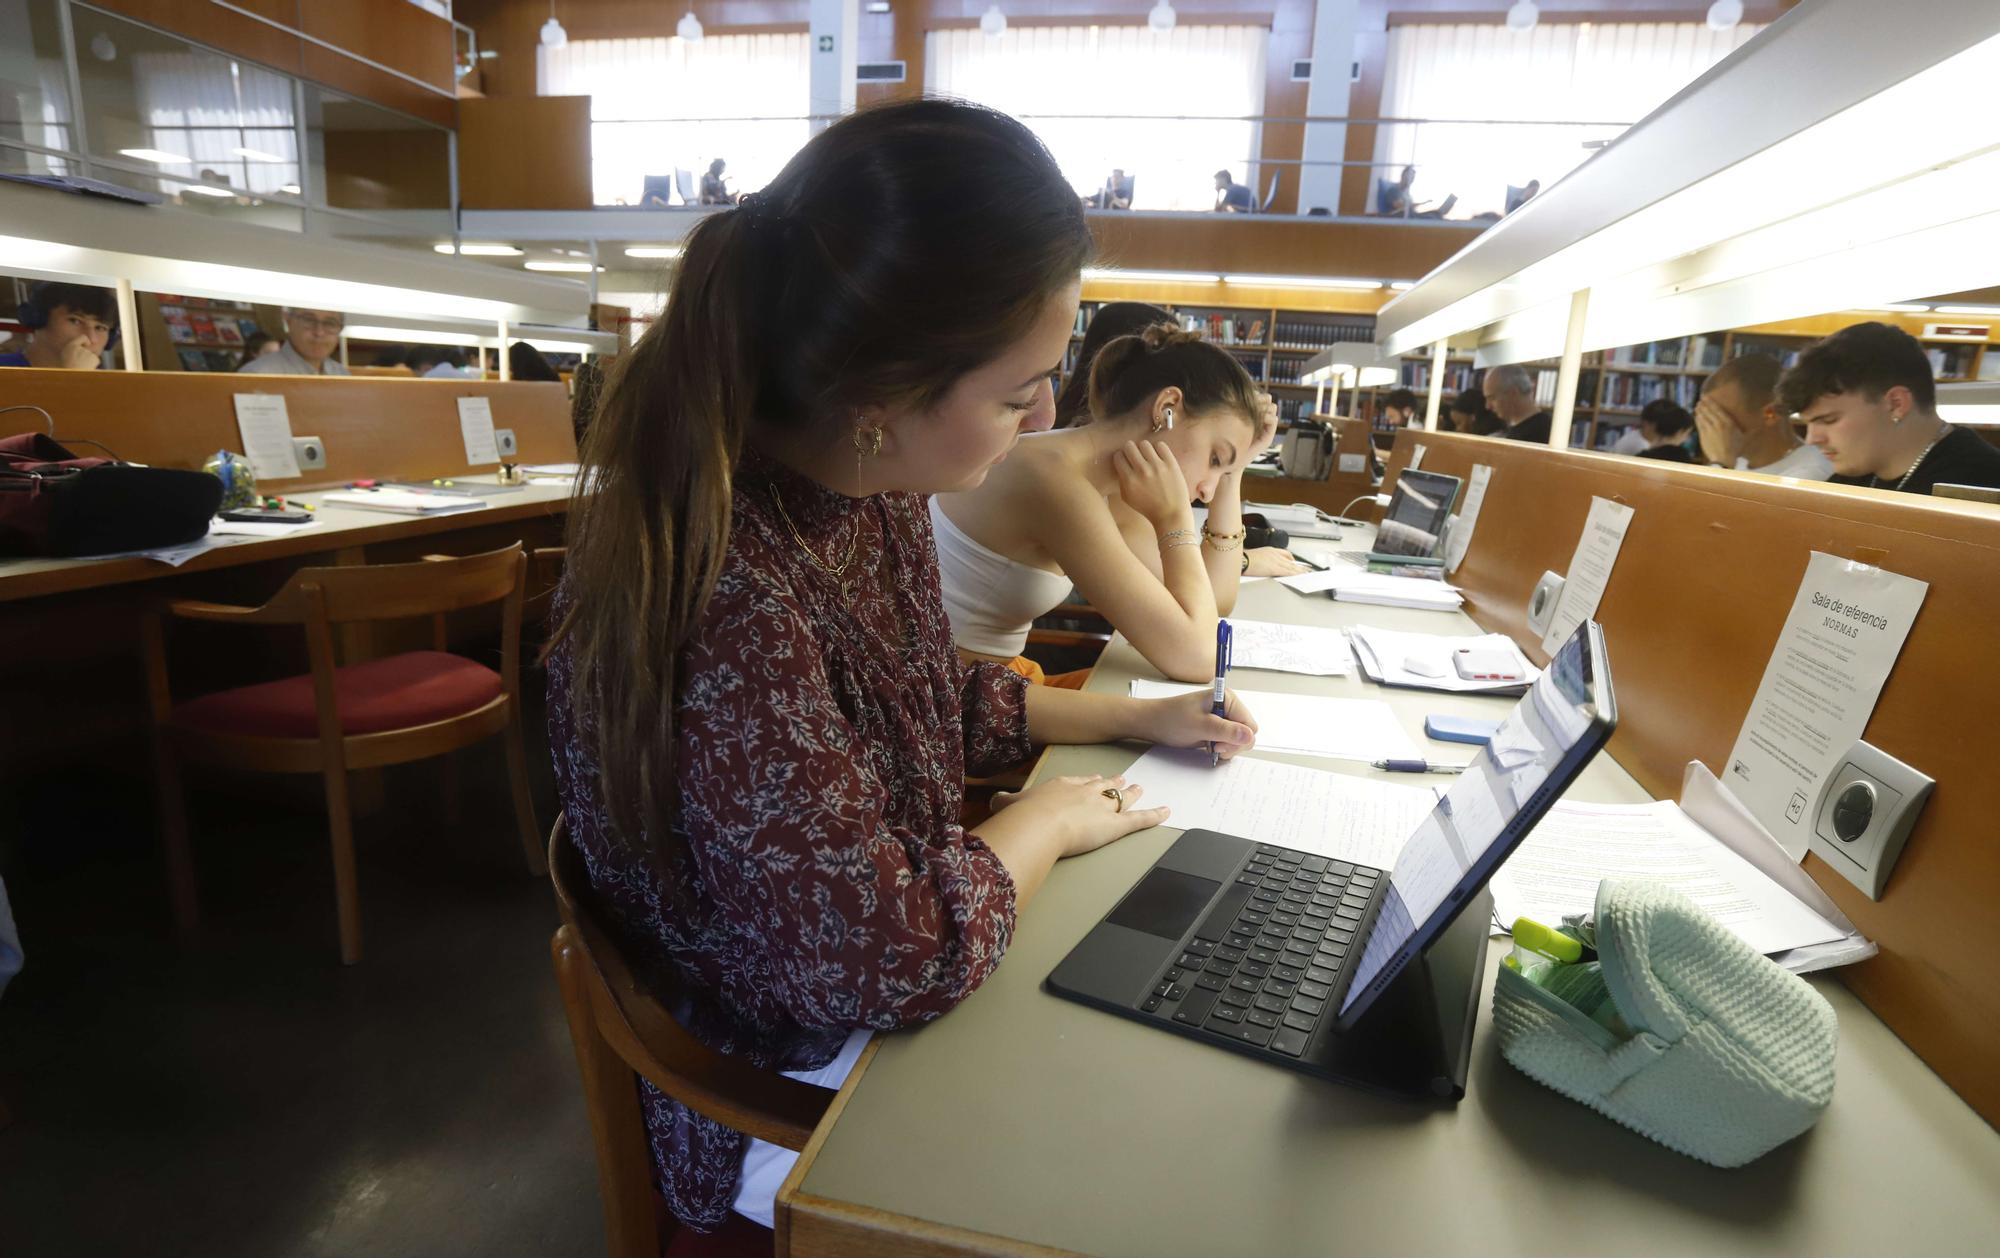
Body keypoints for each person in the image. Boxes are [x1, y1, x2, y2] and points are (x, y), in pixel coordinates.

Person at [547, 100, 1259, 1243]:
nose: (1040, 414)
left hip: (857, 977)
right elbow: (893, 963)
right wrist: (1043, 829)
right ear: (879, 398)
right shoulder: (732, 595)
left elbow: (923, 702)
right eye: (1012, 390)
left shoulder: (861, 494)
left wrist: (1144, 716)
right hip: (778, 1083)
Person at [934, 326, 1286, 686]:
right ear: (1167, 408)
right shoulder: (1053, 481)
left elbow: (1213, 601)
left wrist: (1233, 468)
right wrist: (1173, 518)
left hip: (993, 683)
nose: (1207, 492)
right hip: (947, 701)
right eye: (1214, 456)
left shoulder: (1109, 486)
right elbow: (1197, 657)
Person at [1780, 321, 2000, 496]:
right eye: (1808, 422)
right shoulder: (1852, 475)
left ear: (1896, 404)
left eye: (1828, 420)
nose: (1811, 439)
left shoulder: (1983, 487)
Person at [1695, 352, 1832, 480]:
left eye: (1718, 417)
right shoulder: (1737, 461)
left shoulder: (1810, 473)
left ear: (1770, 414)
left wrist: (1721, 464)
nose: (1709, 428)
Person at [0, 281, 117, 369]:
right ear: (38, 318)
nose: (90, 338)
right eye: (75, 321)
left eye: (100, 328)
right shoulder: (4, 369)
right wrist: (75, 379)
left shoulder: (112, 384)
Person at [237, 307, 350, 375]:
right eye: (309, 320)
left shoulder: (342, 374)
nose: (319, 332)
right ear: (288, 321)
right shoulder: (257, 374)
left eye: (330, 323)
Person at [1483, 364, 1552, 443]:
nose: (1487, 406)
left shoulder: (1539, 433)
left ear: (1513, 394)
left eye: (1492, 398)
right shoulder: (1518, 428)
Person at [1633, 398, 1695, 462]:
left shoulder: (1642, 456)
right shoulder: (1681, 456)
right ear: (1680, 432)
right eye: (1687, 434)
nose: (1686, 438)